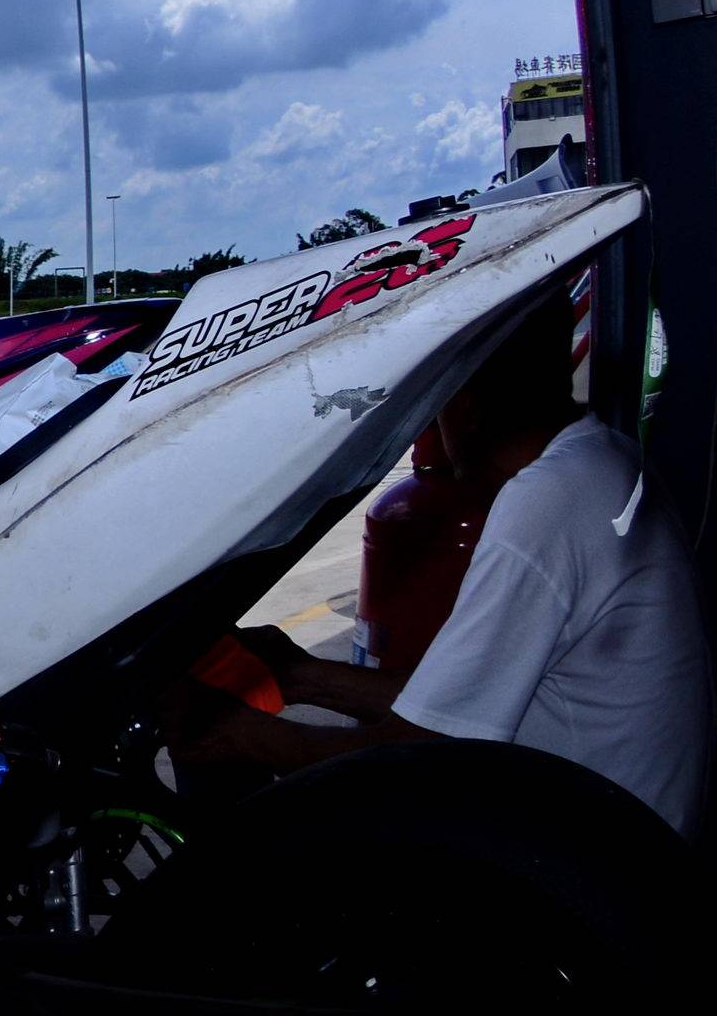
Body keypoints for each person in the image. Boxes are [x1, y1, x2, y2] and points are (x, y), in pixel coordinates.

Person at [207, 293, 709, 837]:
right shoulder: (602, 459)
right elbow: (451, 708)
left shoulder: (547, 501)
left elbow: (420, 760)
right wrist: (299, 675)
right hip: (624, 835)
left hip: (589, 862)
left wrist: (239, 735)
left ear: (464, 406)